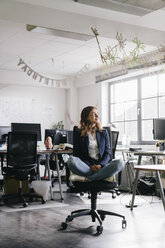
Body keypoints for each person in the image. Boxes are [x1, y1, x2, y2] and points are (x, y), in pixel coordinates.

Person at [67, 106, 124, 182]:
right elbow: (77, 154)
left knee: (120, 162)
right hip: (86, 167)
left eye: (97, 113)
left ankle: (89, 178)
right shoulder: (78, 132)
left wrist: (100, 165)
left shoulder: (103, 132)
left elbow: (108, 153)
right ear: (86, 117)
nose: (97, 116)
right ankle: (103, 175)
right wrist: (90, 166)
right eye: (94, 114)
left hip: (102, 166)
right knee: (71, 161)